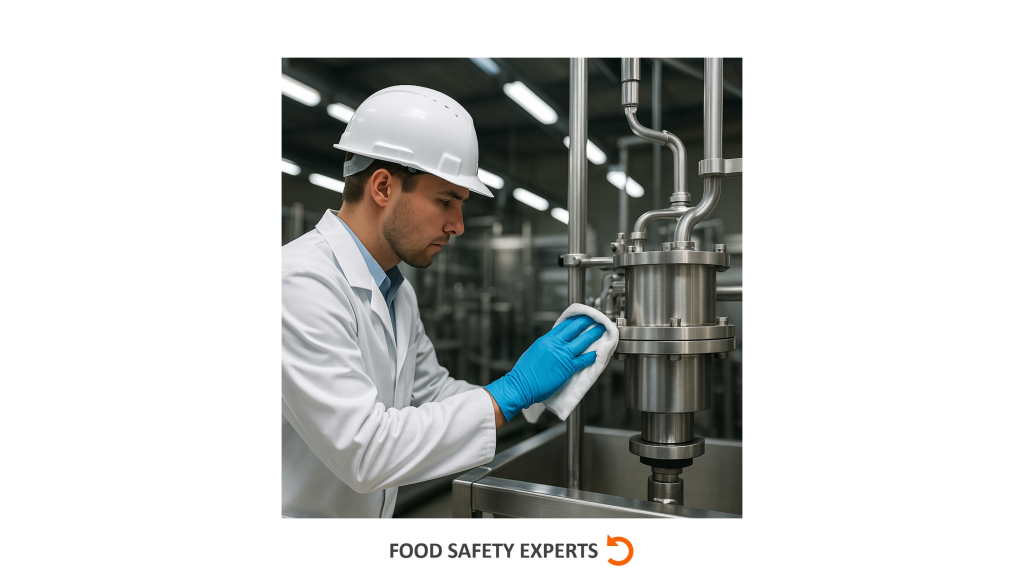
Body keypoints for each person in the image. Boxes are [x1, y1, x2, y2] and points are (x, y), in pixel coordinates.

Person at [282, 85, 605, 518]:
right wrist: (510, 392)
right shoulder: (300, 283)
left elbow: (429, 393)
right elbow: (364, 449)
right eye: (446, 201)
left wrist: (533, 392)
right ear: (382, 187)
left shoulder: (397, 292)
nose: (458, 225)